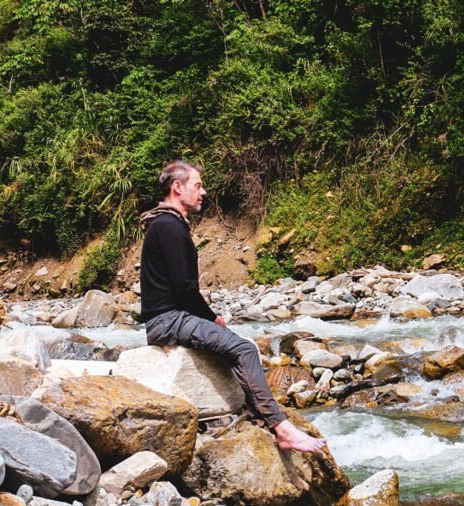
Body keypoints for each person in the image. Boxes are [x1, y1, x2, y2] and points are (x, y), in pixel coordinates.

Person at [138, 160, 327, 453]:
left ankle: (256, 414)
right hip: (169, 320)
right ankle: (283, 429)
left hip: (167, 318)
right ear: (178, 187)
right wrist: (213, 318)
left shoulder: (163, 225)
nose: (203, 192)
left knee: (234, 347)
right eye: (197, 185)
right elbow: (184, 289)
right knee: (244, 348)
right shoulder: (170, 227)